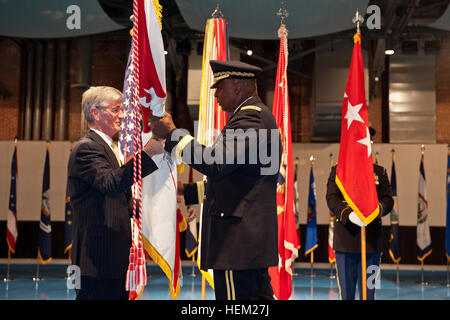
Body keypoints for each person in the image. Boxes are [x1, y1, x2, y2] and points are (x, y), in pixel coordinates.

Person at [150, 60, 281, 300]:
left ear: (238, 86)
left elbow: (216, 164)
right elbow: (240, 182)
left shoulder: (250, 119)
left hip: (237, 240)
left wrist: (174, 135)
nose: (216, 94)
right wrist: (184, 191)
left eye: (220, 87)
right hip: (246, 240)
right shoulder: (256, 117)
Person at [67, 86, 163, 300]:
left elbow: (117, 199)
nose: (123, 115)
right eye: (116, 109)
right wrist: (146, 155)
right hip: (97, 259)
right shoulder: (87, 148)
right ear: (95, 113)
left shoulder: (108, 147)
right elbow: (111, 184)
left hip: (112, 257)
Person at [326, 127, 393, 300]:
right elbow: (331, 198)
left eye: (368, 142)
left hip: (371, 242)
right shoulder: (339, 171)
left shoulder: (380, 171)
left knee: (368, 294)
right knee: (347, 295)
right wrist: (348, 214)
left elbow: (388, 199)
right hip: (345, 242)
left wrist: (376, 210)